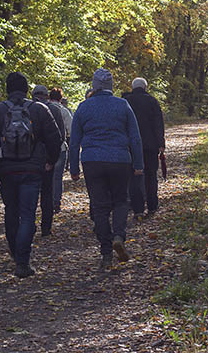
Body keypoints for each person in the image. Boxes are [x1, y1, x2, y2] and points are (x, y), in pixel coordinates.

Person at [0, 72, 61, 278]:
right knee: (27, 215)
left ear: (7, 88)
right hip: (32, 170)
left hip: (6, 170)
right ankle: (23, 262)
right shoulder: (39, 109)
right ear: (26, 89)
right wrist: (50, 161)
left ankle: (16, 254)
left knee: (10, 211)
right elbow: (55, 138)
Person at [69, 68, 143, 271]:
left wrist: (73, 168)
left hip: (92, 161)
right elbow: (135, 138)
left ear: (94, 85)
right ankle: (119, 235)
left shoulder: (83, 107)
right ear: (110, 86)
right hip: (120, 159)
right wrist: (138, 165)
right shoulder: (122, 105)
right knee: (120, 201)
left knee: (99, 206)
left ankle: (106, 252)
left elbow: (74, 142)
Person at [123, 77, 166, 218]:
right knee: (151, 175)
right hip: (150, 145)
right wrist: (161, 143)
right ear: (145, 87)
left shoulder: (126, 101)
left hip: (131, 146)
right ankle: (152, 205)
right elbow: (158, 123)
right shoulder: (152, 101)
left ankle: (138, 209)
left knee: (134, 176)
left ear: (132, 87)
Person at [31, 85, 65, 235]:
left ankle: (29, 225)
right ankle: (46, 227)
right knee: (47, 192)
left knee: (30, 193)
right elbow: (60, 136)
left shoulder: (27, 108)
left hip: (29, 159)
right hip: (47, 158)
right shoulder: (55, 110)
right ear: (47, 95)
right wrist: (52, 160)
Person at [48, 88, 73, 213]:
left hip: (44, 150)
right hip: (61, 148)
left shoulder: (42, 108)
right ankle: (56, 203)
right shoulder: (64, 111)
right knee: (57, 177)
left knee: (45, 177)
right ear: (61, 98)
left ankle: (46, 202)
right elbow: (71, 129)